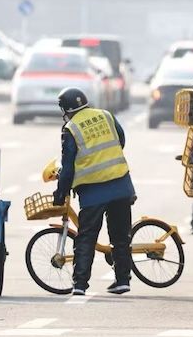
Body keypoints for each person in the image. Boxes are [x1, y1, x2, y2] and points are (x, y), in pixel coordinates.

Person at [52, 87, 134, 296]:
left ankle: (80, 284)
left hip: (93, 191)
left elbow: (67, 167)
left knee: (86, 237)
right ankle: (123, 280)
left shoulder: (71, 128)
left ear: (66, 109)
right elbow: (121, 140)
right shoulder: (106, 115)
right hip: (121, 184)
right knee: (120, 236)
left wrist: (60, 193)